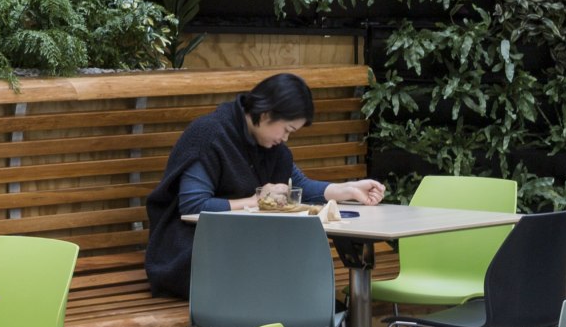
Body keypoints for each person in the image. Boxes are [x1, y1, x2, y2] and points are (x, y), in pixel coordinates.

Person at [143, 72, 387, 297]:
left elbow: (296, 185)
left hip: (239, 256)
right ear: (267, 114)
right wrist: (257, 200)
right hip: (190, 258)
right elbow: (193, 206)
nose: (285, 138)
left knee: (303, 280)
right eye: (287, 129)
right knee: (296, 280)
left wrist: (347, 189)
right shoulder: (209, 135)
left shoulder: (270, 147)